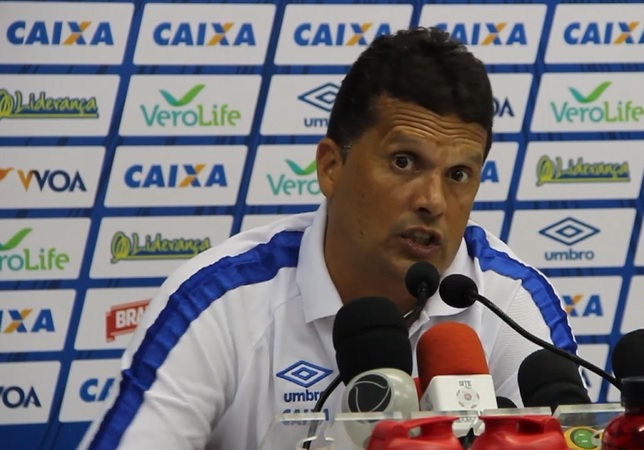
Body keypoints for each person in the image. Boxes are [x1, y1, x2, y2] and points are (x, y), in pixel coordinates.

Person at [80, 27, 578, 450]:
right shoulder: (223, 300)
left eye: (459, 175)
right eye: (404, 161)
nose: (433, 201)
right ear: (331, 166)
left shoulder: (509, 302)